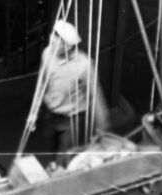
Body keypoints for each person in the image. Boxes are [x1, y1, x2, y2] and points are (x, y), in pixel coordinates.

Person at [30, 19, 106, 160]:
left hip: (71, 121)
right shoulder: (47, 54)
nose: (51, 41)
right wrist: (33, 113)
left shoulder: (84, 65)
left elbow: (96, 98)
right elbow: (41, 84)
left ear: (68, 46)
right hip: (50, 116)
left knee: (63, 158)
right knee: (51, 150)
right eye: (52, 36)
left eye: (56, 41)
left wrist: (103, 130)